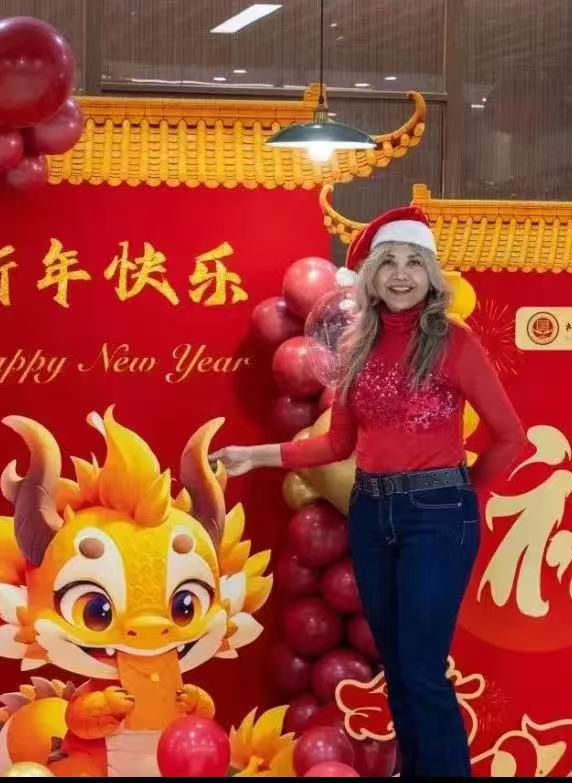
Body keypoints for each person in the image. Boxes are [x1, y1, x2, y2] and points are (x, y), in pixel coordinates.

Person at [210, 206, 526, 777]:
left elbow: (508, 436)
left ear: (431, 275)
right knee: (399, 670)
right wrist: (253, 456)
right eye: (389, 263)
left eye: (414, 262)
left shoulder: (455, 345)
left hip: (437, 517)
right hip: (372, 514)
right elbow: (336, 445)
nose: (401, 274)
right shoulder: (357, 348)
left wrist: (459, 493)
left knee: (423, 670)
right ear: (373, 274)